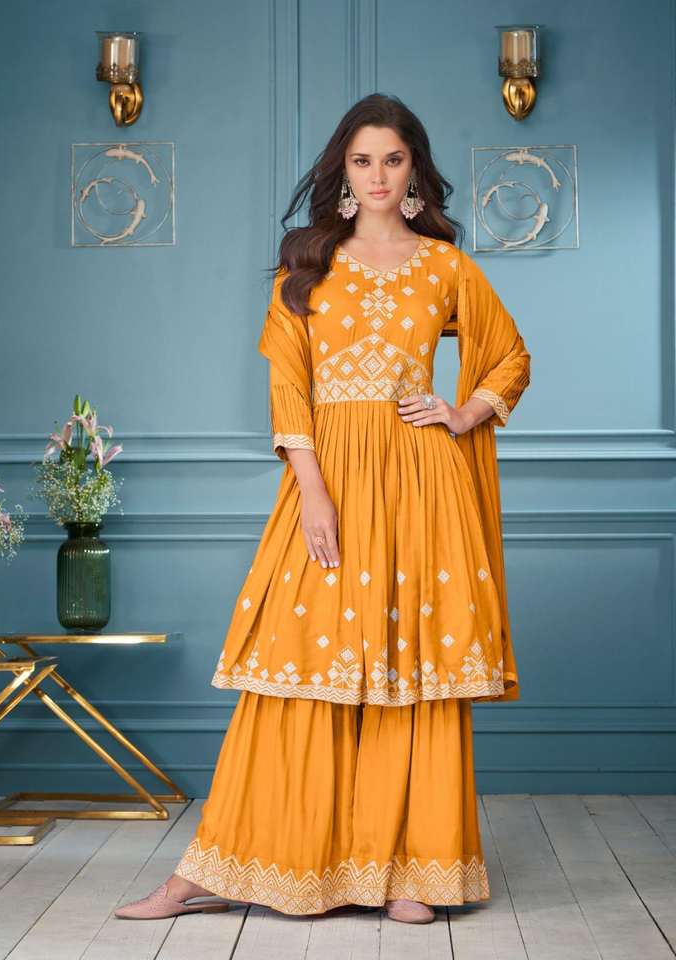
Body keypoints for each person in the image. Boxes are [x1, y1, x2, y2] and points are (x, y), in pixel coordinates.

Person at [115, 92, 531, 925]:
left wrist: (461, 414)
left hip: (420, 482)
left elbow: (509, 356)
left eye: (394, 160)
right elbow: (288, 386)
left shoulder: (445, 266)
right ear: (342, 172)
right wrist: (311, 487)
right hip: (328, 475)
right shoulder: (305, 266)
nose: (378, 176)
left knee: (412, 671)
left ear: (414, 171)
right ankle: (212, 868)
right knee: (298, 670)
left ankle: (412, 871)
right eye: (362, 161)